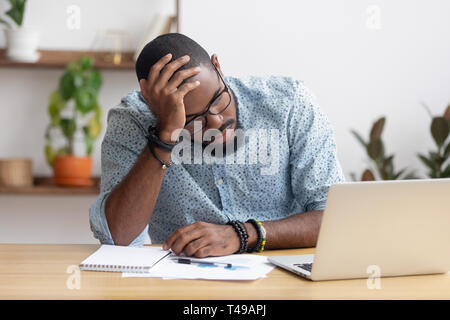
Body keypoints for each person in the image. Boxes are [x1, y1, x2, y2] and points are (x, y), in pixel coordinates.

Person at [89, 33, 345, 258]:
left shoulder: (289, 104)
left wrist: (244, 234)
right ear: (150, 101)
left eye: (218, 99)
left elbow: (337, 218)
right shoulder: (132, 120)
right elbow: (118, 238)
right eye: (192, 119)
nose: (216, 122)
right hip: (183, 285)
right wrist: (165, 133)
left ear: (218, 66)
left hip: (283, 277)